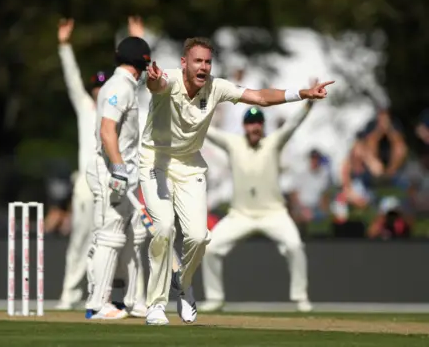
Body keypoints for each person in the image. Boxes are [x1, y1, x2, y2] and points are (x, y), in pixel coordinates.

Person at [141, 37, 332, 325]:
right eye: (198, 61)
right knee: (164, 227)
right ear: (184, 63)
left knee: (198, 236)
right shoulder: (168, 78)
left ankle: (183, 283)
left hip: (190, 166)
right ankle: (155, 305)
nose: (204, 66)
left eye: (207, 61)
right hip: (156, 161)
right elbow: (157, 85)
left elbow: (261, 97)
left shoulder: (216, 87)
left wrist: (303, 93)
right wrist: (153, 81)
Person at [200, 103, 315, 313]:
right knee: (210, 248)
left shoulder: (273, 143)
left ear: (263, 126)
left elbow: (291, 125)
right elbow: (208, 130)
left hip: (274, 213)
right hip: (240, 214)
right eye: (250, 123)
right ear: (244, 126)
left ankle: (300, 297)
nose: (254, 128)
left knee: (295, 246)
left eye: (258, 123)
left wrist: (308, 104)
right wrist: (187, 108)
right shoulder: (233, 143)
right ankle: (215, 298)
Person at [85, 36, 151, 320]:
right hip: (111, 172)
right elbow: (107, 131)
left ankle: (135, 300)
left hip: (126, 174)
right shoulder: (117, 88)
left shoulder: (126, 86)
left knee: (136, 236)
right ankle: (98, 305)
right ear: (142, 63)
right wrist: (119, 170)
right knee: (109, 237)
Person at [54, 18, 109, 310]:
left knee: (108, 241)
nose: (99, 91)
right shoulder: (85, 107)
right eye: (95, 87)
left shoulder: (117, 108)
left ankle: (100, 293)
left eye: (103, 87)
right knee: (79, 238)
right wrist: (64, 46)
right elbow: (72, 79)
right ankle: (68, 293)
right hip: (86, 184)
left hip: (111, 181)